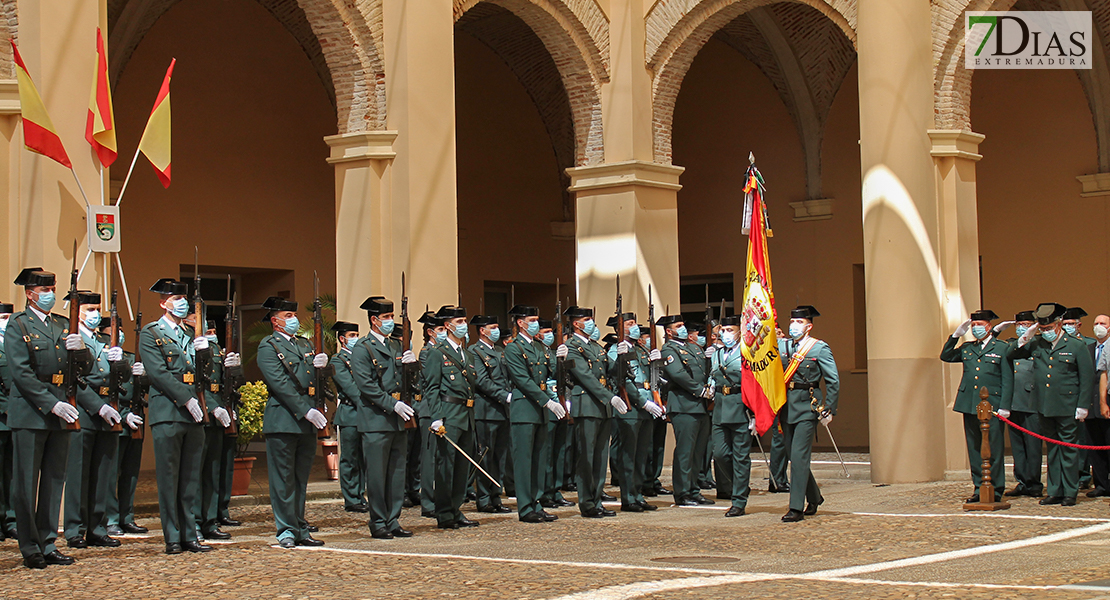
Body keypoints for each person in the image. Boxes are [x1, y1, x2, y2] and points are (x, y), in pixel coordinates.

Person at [5, 268, 89, 568]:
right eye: (45, 290)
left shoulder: (62, 324)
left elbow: (82, 370)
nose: (50, 294)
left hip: (60, 413)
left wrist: (82, 352)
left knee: (54, 481)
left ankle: (48, 542)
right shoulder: (18, 325)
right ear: (30, 294)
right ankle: (30, 548)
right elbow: (21, 373)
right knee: (26, 484)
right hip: (31, 413)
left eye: (52, 288)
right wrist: (51, 404)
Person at [141, 278, 212, 554]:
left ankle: (190, 534)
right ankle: (172, 536)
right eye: (176, 298)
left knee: (190, 478)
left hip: (194, 415)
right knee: (169, 478)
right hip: (169, 412)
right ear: (163, 303)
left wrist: (205, 353)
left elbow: (201, 374)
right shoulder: (152, 333)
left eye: (184, 298)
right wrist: (186, 399)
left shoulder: (191, 334)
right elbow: (158, 373)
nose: (182, 303)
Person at [256, 295, 329, 547]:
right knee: (283, 479)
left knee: (300, 478)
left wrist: (323, 368)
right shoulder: (269, 346)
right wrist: (305, 410)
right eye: (289, 316)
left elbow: (314, 381)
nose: (294, 320)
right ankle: (285, 529)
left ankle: (299, 526)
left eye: (294, 316)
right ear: (276, 322)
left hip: (307, 420)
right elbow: (281, 384)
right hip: (283, 419)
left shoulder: (305, 344)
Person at [1009, 302, 1095, 506]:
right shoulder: (1037, 343)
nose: (1046, 332)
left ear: (1058, 325)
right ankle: (1055, 491)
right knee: (1053, 449)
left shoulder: (1076, 345)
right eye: (1043, 328)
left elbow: (1086, 377)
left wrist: (1083, 405)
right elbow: (1011, 354)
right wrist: (1027, 335)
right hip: (1044, 405)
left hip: (1067, 405)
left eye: (1048, 328)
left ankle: (1070, 492)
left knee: (1068, 449)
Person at [349, 297, 417, 539]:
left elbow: (406, 382)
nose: (390, 322)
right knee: (377, 474)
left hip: (398, 419)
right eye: (386, 318)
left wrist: (413, 367)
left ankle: (393, 519)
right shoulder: (362, 348)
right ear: (374, 320)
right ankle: (378, 521)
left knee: (397, 472)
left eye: (392, 317)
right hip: (377, 419)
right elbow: (366, 386)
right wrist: (393, 404)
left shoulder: (395, 346)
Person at [62, 291, 125, 550]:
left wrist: (120, 364)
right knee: (79, 475)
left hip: (107, 412)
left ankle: (97, 528)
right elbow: (75, 381)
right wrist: (98, 408)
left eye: (97, 308)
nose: (95, 314)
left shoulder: (102, 340)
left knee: (102, 475)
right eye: (90, 309)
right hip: (84, 413)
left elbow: (118, 380)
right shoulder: (69, 340)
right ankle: (74, 529)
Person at [559, 306, 627, 518]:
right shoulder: (572, 347)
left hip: (602, 408)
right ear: (576, 324)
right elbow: (585, 377)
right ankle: (587, 503)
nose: (591, 323)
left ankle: (597, 499)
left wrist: (624, 356)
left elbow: (610, 370)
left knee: (599, 458)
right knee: (586, 458)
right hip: (587, 406)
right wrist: (610, 397)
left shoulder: (597, 347)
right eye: (587, 320)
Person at [941, 309, 1011, 503]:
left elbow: (1007, 378)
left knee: (994, 448)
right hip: (970, 403)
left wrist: (1005, 405)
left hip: (993, 405)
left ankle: (996, 488)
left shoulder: (1001, 348)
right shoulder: (967, 348)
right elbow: (946, 356)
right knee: (974, 448)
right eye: (973, 326)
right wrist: (955, 336)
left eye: (980, 325)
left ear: (989, 327)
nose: (976, 328)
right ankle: (979, 487)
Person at [778, 306, 838, 522]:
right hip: (786, 407)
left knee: (799, 457)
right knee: (794, 456)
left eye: (799, 322)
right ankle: (814, 496)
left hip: (807, 406)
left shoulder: (819, 348)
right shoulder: (783, 346)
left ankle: (795, 507)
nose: (794, 326)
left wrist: (828, 407)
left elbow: (832, 380)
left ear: (809, 326)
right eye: (792, 322)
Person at [504, 306, 562, 523]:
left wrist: (561, 357)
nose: (537, 323)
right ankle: (525, 506)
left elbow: (553, 372)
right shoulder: (513, 348)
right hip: (525, 409)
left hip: (540, 410)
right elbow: (522, 380)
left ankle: (537, 502)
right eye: (532, 319)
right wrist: (547, 401)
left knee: (539, 460)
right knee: (524, 460)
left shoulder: (540, 347)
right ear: (521, 323)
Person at [424, 305, 480, 529]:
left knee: (462, 468)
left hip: (466, 415)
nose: (463, 325)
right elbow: (432, 387)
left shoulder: (466, 354)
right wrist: (436, 417)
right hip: (448, 415)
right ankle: (444, 513)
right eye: (459, 322)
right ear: (447, 326)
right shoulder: (437, 352)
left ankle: (456, 509)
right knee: (446, 466)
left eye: (464, 321)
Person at [607, 312, 664, 512]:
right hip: (631, 407)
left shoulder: (641, 350)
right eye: (630, 324)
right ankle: (628, 497)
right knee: (628, 455)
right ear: (619, 329)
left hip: (648, 405)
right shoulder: (616, 351)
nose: (634, 326)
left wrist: (658, 361)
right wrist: (643, 402)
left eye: (634, 323)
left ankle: (638, 494)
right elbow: (624, 381)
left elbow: (653, 377)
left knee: (642, 454)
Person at [658, 314, 713, 506]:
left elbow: (704, 371)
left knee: (698, 451)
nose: (683, 328)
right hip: (684, 405)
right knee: (685, 451)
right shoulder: (669, 349)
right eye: (679, 325)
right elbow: (678, 374)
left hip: (700, 406)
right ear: (669, 331)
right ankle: (682, 493)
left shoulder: (692, 348)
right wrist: (700, 390)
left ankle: (694, 489)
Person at [100, 320, 147, 536]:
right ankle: (110, 518)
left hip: (135, 417)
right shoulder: (101, 357)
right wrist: (124, 415)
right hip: (114, 417)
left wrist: (143, 375)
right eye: (112, 332)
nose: (117, 334)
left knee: (130, 472)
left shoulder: (129, 358)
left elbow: (144, 388)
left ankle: (126, 516)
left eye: (119, 330)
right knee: (110, 474)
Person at [191, 318, 234, 542]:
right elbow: (196, 383)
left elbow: (221, 381)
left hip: (218, 415)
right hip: (200, 412)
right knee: (197, 473)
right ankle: (195, 522)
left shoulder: (216, 349)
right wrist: (213, 406)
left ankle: (209, 520)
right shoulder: (190, 344)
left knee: (212, 472)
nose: (211, 333)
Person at [469, 314, 513, 514]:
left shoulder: (500, 352)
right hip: (486, 411)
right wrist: (504, 396)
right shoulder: (474, 352)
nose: (496, 330)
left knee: (499, 457)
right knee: (485, 457)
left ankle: (496, 496)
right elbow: (482, 381)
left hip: (503, 411)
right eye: (492, 327)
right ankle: (484, 498)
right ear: (482, 330)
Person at [710, 315, 753, 517]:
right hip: (720, 408)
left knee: (740, 457)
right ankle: (740, 485)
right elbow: (713, 377)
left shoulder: (747, 353)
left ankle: (738, 502)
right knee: (719, 454)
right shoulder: (716, 354)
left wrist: (753, 413)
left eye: (731, 330)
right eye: (724, 330)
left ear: (740, 331)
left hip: (740, 407)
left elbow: (753, 383)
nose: (726, 334)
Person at [999, 311, 1043, 497]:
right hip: (1013, 401)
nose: (1021, 327)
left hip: (1032, 401)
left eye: (1026, 324)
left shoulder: (1038, 344)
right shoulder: (1012, 344)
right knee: (1017, 446)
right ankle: (1022, 481)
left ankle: (1034, 483)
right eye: (1019, 324)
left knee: (1033, 446)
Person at [329, 321, 368, 513]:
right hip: (350, 413)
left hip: (365, 413)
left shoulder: (362, 358)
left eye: (357, 334)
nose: (356, 338)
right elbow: (350, 388)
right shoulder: (338, 360)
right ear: (342, 339)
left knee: (363, 458)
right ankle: (351, 498)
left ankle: (360, 494)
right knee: (350, 458)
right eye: (352, 335)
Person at [537, 318, 574, 509]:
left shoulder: (553, 353)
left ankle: (555, 489)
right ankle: (544, 491)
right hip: (546, 406)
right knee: (547, 452)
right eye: (545, 331)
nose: (549, 335)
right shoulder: (536, 353)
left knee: (559, 452)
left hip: (562, 405)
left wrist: (565, 360)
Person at [416, 311, 443, 518]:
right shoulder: (427, 352)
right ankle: (428, 501)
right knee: (429, 459)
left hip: (443, 408)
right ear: (430, 332)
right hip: (429, 409)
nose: (444, 333)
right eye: (441, 330)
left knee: (441, 458)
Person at [1090, 314, 1110, 496]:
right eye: (1096, 323)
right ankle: (1101, 485)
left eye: (1103, 323)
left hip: (1107, 402)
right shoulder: (1088, 348)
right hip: (1092, 405)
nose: (1099, 326)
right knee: (1095, 447)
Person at [0, 303, 15, 542]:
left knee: (14, 474)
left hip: (17, 417)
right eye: (2, 317)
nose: (6, 322)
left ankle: (12, 520)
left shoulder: (16, 342)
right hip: (2, 415)